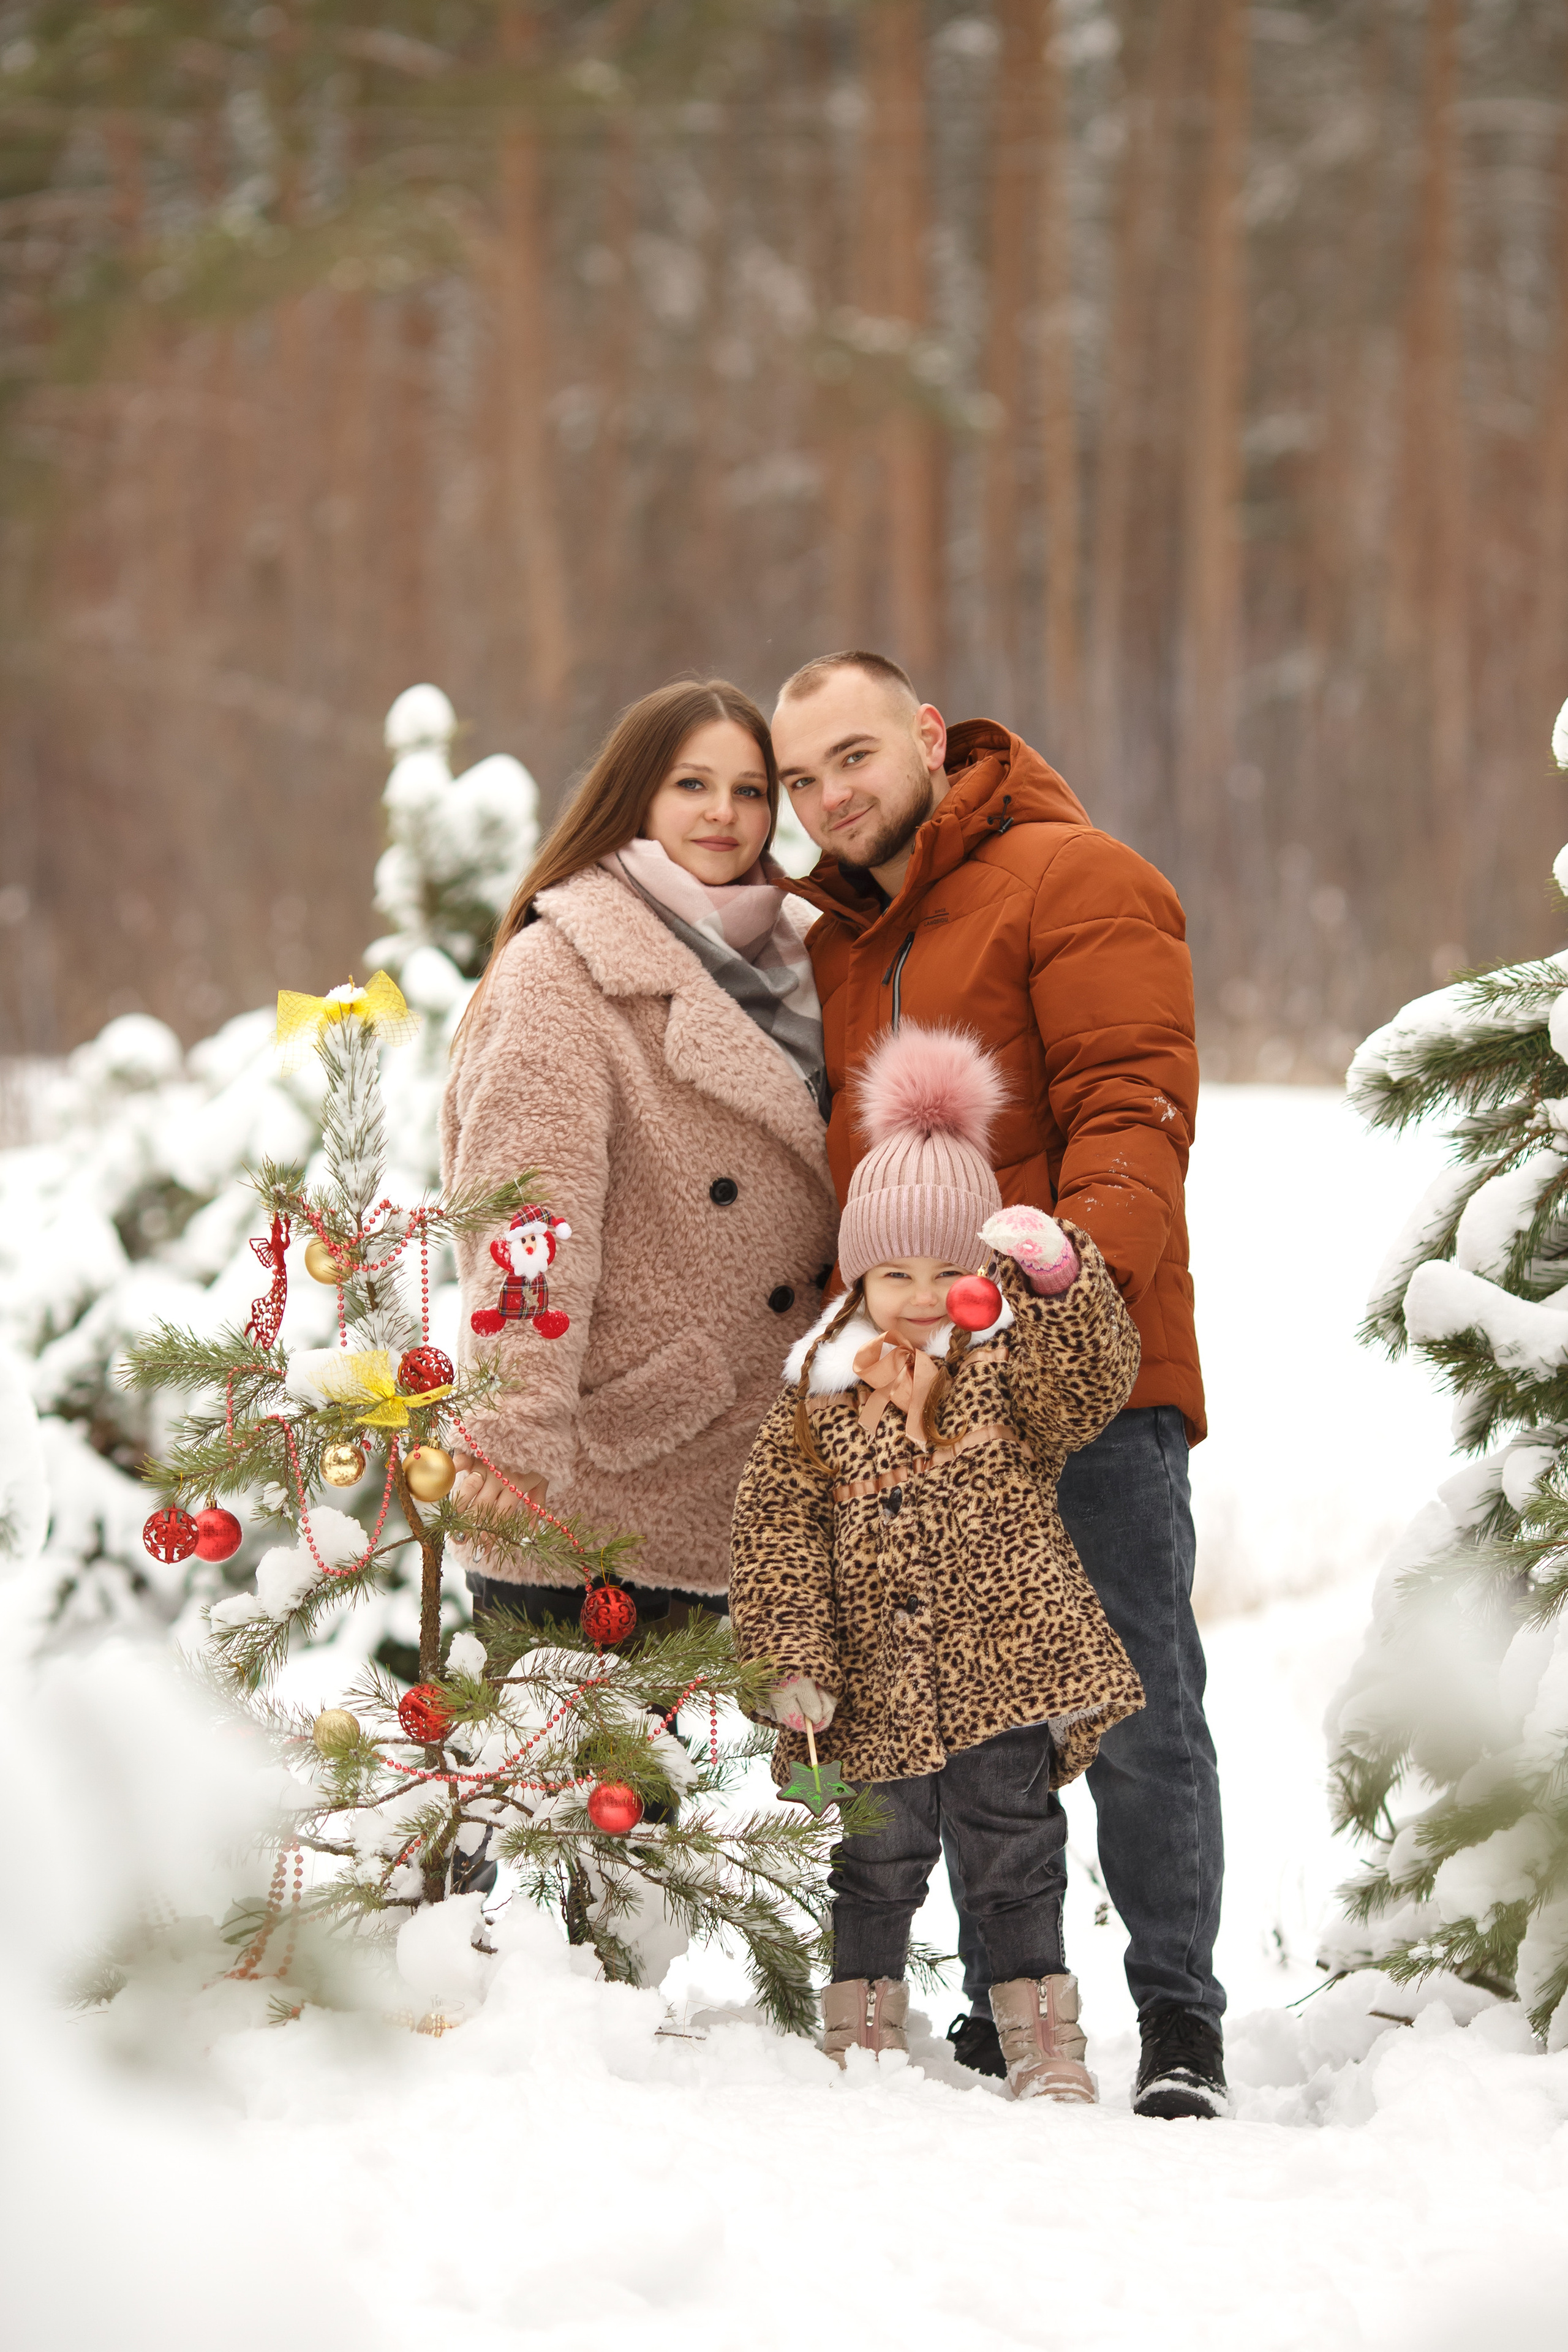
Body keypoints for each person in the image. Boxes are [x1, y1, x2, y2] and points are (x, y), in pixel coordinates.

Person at [770, 648, 1227, 2122]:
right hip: (916, 1405)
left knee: (1136, 1707)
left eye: (851, 756)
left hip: (1082, 1382)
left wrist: (1054, 1288)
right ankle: (999, 2007)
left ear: (923, 735)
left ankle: (1178, 2021)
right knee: (967, 1708)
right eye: (798, 780)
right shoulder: (840, 940)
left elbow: (1133, 1109)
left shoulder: (1071, 877)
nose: (827, 796)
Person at [729, 1022, 1144, 2100]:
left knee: (1014, 1854)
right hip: (868, 1688)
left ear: (979, 1277)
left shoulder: (1008, 1374)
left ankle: (1042, 2042)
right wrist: (794, 1662)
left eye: (948, 1269)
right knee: (877, 1858)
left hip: (1000, 1670)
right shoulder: (818, 1400)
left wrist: (1059, 1284)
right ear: (857, 1274)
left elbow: (1090, 1386)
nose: (920, 1293)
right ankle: (861, 2024)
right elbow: (776, 1539)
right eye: (893, 1270)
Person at [440, 677, 839, 1638]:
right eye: (691, 784)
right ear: (635, 797)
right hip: (603, 1483)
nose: (723, 813)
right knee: (598, 1794)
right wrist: (511, 1431)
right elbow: (529, 1221)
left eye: (750, 792)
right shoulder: (566, 967)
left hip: (765, 1484)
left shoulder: (805, 957)